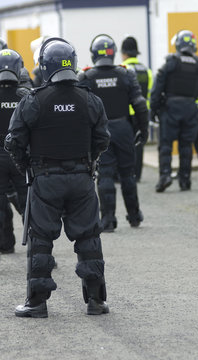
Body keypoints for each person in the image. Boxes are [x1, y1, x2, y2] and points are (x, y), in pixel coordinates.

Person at [5, 37, 110, 318]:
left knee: (40, 240)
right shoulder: (90, 100)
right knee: (89, 238)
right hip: (82, 178)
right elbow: (102, 139)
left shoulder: (34, 100)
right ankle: (96, 301)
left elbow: (13, 141)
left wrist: (28, 166)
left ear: (44, 66)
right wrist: (88, 162)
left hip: (45, 178)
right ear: (73, 64)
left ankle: (37, 304)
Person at [78, 34, 148, 232]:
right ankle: (134, 216)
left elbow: (80, 110)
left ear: (93, 54)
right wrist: (143, 131)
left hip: (100, 131)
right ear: (114, 53)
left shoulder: (86, 76)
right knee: (128, 173)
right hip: (124, 129)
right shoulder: (126, 74)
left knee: (106, 174)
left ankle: (108, 220)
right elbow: (140, 105)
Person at [150, 29, 198, 192]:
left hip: (170, 108)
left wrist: (153, 110)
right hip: (191, 109)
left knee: (166, 145)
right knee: (186, 146)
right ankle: (185, 180)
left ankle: (165, 175)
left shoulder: (171, 62)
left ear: (178, 44)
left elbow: (156, 89)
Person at [0, 48, 29, 254]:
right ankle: (38, 248)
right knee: (29, 203)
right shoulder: (27, 95)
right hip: (21, 156)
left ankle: (5, 243)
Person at [121, 36, 153, 182]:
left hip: (127, 112)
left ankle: (127, 173)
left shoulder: (123, 69)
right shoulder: (146, 70)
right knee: (139, 143)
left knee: (125, 143)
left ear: (124, 53)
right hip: (142, 112)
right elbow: (150, 92)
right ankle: (138, 175)